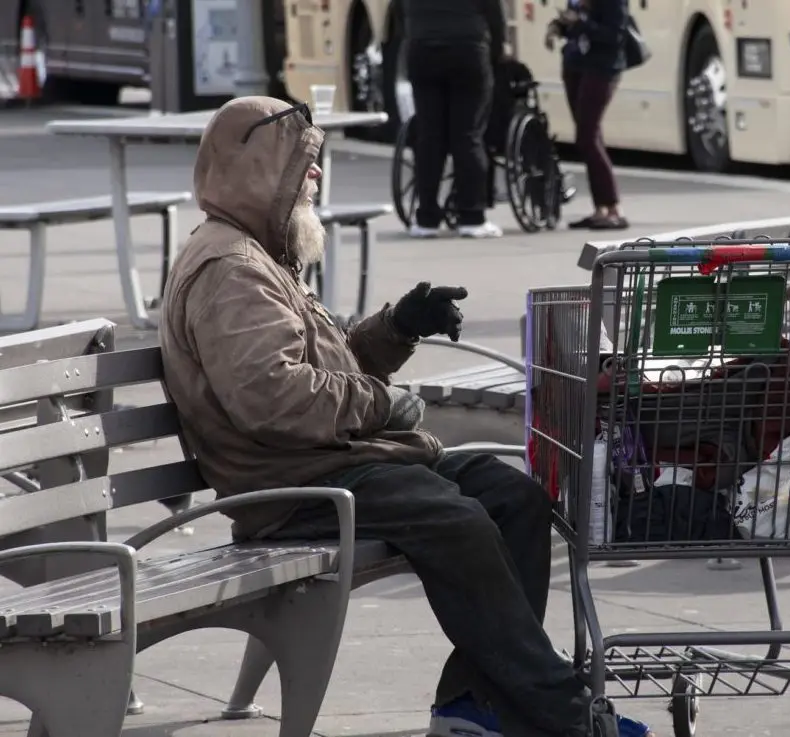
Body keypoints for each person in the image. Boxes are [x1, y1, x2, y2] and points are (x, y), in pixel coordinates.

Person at [158, 96, 654, 737]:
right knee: (457, 521)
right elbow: (273, 399)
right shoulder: (232, 270)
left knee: (514, 499)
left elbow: (319, 366)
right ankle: (566, 716)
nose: (315, 176)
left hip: (331, 460)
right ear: (258, 172)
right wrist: (382, 403)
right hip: (290, 485)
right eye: (303, 165)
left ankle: (474, 703)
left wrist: (396, 328)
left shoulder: (257, 254)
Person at [401, 0, 504, 239]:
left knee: (429, 137)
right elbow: (495, 13)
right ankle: (472, 217)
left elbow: (399, 11)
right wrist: (495, 53)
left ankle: (427, 219)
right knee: (468, 135)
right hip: (467, 49)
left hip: (422, 50)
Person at [547, 0, 629, 231]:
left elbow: (615, 35)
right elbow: (574, 23)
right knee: (590, 136)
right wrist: (558, 27)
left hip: (602, 67)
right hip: (576, 64)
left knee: (587, 136)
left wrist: (580, 23)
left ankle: (613, 207)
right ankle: (600, 208)